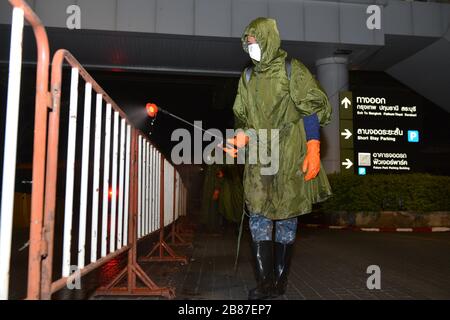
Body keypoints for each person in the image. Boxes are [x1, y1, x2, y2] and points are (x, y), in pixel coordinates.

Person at [224, 17, 333, 300]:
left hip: (289, 152)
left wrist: (313, 147)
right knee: (258, 215)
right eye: (247, 43)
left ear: (268, 39)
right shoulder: (247, 77)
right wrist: (240, 137)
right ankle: (264, 286)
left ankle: (280, 285)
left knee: (286, 217)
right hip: (260, 154)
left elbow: (310, 109)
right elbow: (242, 115)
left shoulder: (292, 70)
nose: (251, 48)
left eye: (254, 42)